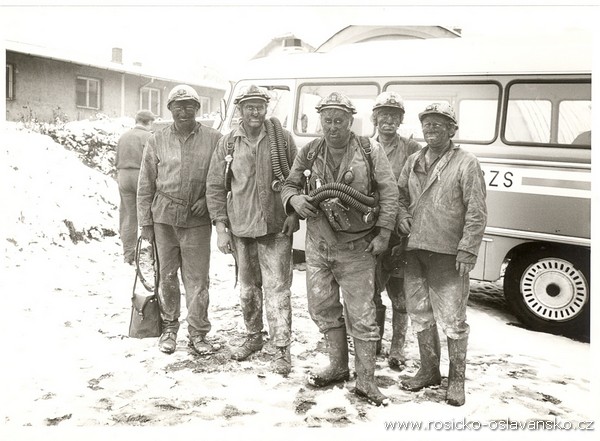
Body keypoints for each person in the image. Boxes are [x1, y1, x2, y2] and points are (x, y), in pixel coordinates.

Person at [281, 92, 399, 406]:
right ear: (321, 121)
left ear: (350, 121)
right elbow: (290, 184)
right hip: (319, 245)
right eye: (328, 120)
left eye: (339, 120)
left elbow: (389, 193)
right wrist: (294, 200)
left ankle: (366, 381)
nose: (333, 126)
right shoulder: (310, 151)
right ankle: (337, 366)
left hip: (357, 247)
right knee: (322, 307)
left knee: (362, 315)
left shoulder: (369, 150)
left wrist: (384, 233)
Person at [396, 103, 487, 406]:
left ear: (452, 129)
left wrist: (468, 249)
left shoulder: (466, 162)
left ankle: (456, 380)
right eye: (427, 124)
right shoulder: (413, 160)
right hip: (414, 250)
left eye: (439, 123)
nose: (431, 128)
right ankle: (429, 371)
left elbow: (476, 209)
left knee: (453, 319)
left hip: (448, 253)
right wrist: (401, 216)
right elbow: (399, 196)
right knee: (420, 314)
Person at [206, 85, 298, 376]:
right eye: (249, 107)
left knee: (278, 291)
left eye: (259, 106)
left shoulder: (283, 139)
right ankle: (254, 337)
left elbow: (297, 179)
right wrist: (221, 227)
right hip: (241, 227)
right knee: (248, 290)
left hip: (275, 227)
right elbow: (215, 186)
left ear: (266, 109)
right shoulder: (228, 143)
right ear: (240, 110)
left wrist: (293, 213)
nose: (255, 112)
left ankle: (281, 349)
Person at [137, 84, 222, 355]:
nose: (183, 111)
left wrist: (207, 201)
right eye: (177, 106)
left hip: (197, 220)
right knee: (167, 276)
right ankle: (169, 328)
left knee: (198, 280)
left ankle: (198, 332)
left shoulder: (214, 138)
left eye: (189, 106)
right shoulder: (156, 139)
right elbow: (146, 183)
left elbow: (223, 178)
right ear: (170, 109)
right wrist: (145, 223)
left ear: (197, 109)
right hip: (164, 219)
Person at [369, 92, 421, 369]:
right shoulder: (364, 146)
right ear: (375, 118)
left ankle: (397, 348)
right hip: (371, 229)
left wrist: (406, 219)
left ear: (400, 120)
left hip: (400, 232)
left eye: (394, 116)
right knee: (371, 289)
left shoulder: (412, 149)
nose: (388, 120)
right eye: (383, 115)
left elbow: (415, 190)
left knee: (399, 292)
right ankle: (374, 341)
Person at [115, 109, 155, 265]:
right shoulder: (149, 137)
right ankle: (155, 253)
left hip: (123, 175)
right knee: (152, 213)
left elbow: (116, 160)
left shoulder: (123, 136)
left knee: (128, 215)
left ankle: (128, 255)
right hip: (141, 176)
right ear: (149, 122)